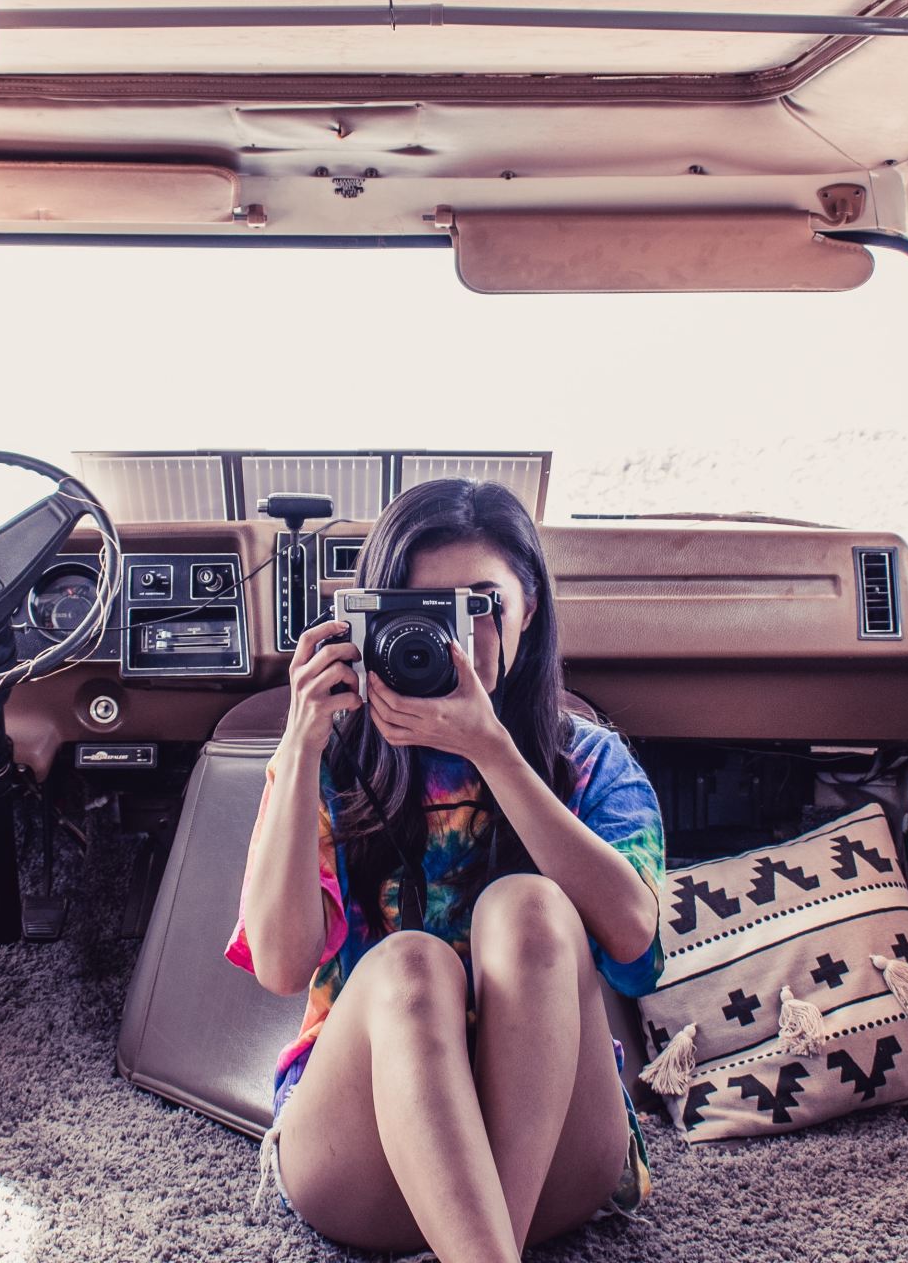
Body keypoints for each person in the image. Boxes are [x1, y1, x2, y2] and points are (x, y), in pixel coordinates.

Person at [222, 478, 666, 1263]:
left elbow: (635, 946)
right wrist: (298, 747)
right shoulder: (331, 767)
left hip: (554, 1143)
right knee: (411, 966)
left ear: (530, 608)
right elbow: (284, 965)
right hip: (366, 1153)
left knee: (528, 907)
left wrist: (492, 749)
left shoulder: (589, 760)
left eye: (481, 606)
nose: (453, 639)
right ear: (372, 623)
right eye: (424, 616)